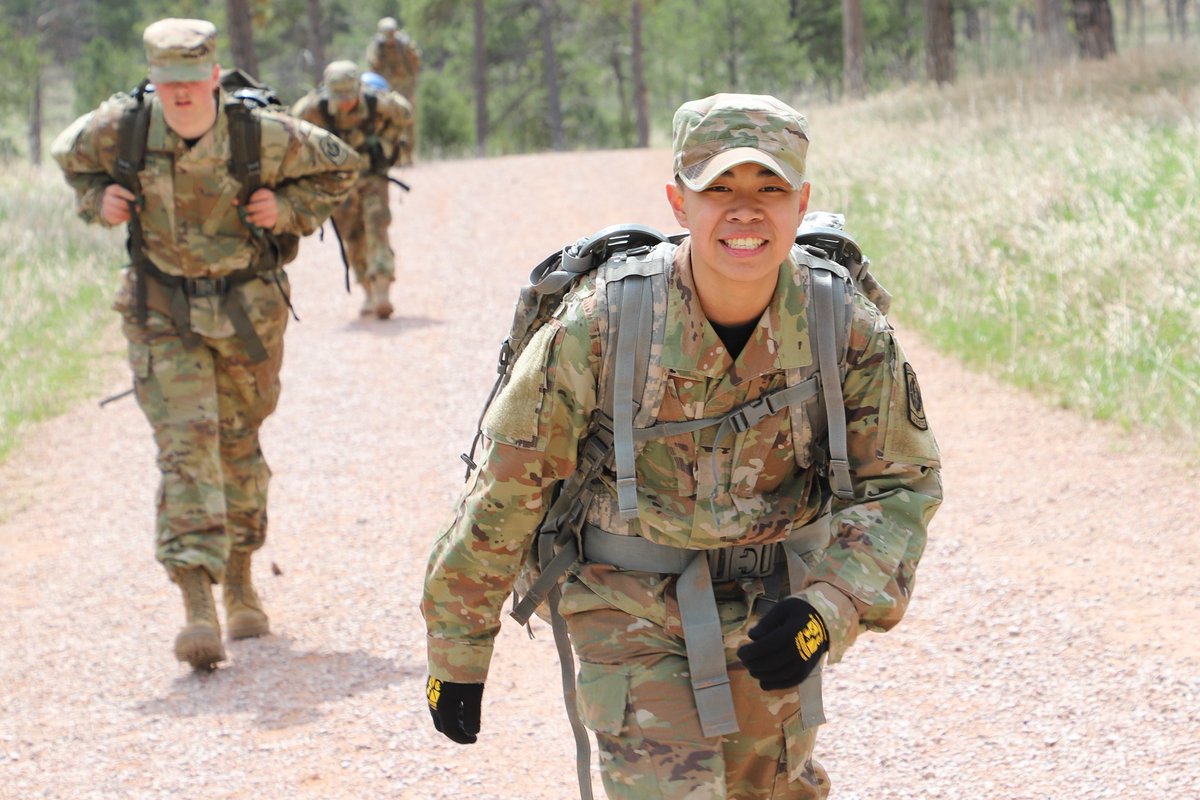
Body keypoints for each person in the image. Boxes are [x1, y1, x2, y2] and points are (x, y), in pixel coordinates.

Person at [421, 93, 943, 799]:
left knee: (766, 785)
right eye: (719, 188)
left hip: (775, 602)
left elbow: (901, 486)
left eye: (770, 188)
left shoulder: (841, 323)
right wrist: (457, 651)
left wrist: (827, 609)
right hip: (625, 601)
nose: (745, 211)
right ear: (678, 202)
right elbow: (509, 485)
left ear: (802, 201)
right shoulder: (604, 322)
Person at [51, 18, 361, 670]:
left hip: (247, 313)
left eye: (193, 81)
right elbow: (69, 157)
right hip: (160, 310)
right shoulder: (122, 127)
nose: (183, 95)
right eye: (170, 84)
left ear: (214, 77)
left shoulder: (261, 133)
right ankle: (197, 603)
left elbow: (341, 168)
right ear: (155, 82)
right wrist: (95, 200)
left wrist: (288, 209)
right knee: (187, 445)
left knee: (237, 444)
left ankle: (243, 581)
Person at [291, 60, 413, 319]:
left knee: (376, 226)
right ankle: (367, 291)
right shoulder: (315, 108)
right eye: (339, 96)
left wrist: (386, 138)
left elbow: (405, 112)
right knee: (353, 237)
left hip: (371, 177)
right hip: (338, 183)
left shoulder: (374, 102)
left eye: (349, 94)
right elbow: (292, 127)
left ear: (358, 88)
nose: (345, 102)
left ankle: (382, 291)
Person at [365, 15, 420, 165]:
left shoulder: (405, 45)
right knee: (389, 122)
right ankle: (395, 156)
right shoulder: (376, 46)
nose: (389, 38)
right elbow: (372, 65)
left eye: (391, 34)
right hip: (386, 89)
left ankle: (409, 155)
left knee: (408, 120)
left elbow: (416, 63)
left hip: (405, 87)